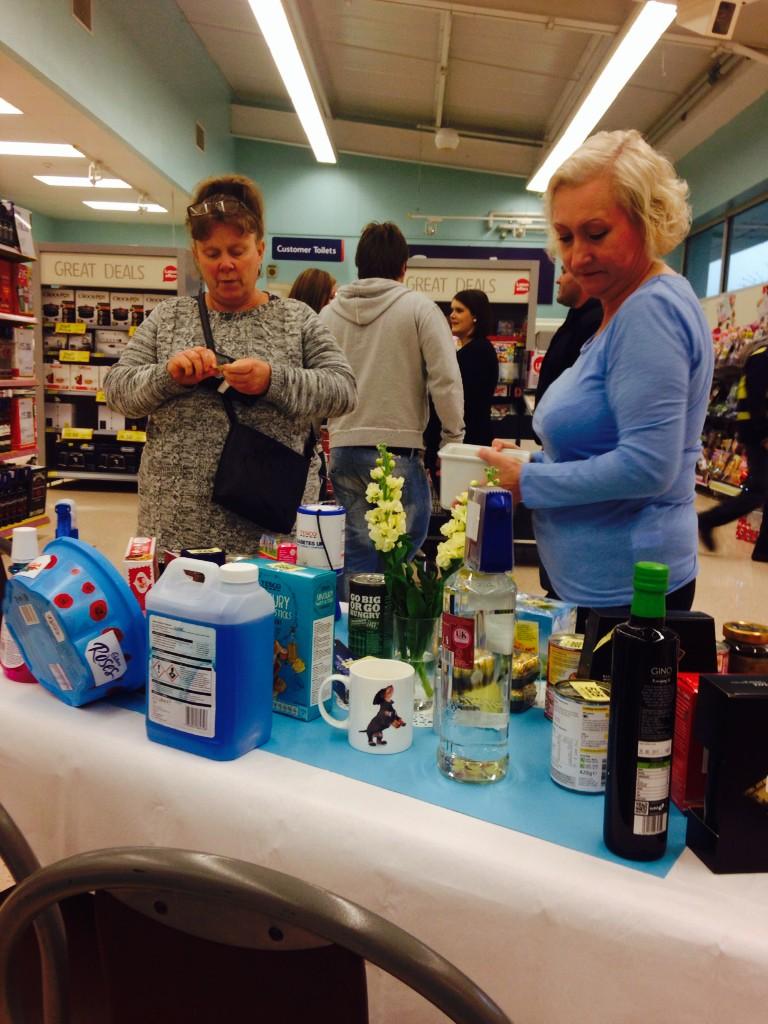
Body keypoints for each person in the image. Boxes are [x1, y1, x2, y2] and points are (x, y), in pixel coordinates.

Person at [479, 129, 714, 615]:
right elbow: (603, 444)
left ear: (647, 219)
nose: (577, 256)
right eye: (566, 237)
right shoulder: (620, 308)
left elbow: (647, 466)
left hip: (626, 594)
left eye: (597, 233)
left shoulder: (649, 312)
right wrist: (531, 461)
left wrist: (530, 482)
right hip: (599, 586)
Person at [104, 174, 357, 556]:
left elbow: (343, 390)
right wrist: (168, 376)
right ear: (196, 255)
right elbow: (117, 391)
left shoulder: (297, 319)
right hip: (173, 536)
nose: (225, 265)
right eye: (212, 253)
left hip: (272, 541)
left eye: (237, 251)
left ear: (260, 250)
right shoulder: (168, 317)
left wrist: (272, 380)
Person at [320, 221, 464, 588]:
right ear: (403, 267)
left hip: (343, 448)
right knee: (398, 555)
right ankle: (385, 623)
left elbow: (316, 382)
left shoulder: (328, 315)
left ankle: (353, 620)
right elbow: (446, 379)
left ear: (358, 265)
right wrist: (453, 439)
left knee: (355, 552)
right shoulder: (420, 309)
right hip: (398, 451)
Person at [698, 339, 768, 561]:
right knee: (757, 491)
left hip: (758, 432)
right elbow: (755, 400)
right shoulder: (761, 357)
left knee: (761, 490)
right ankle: (708, 520)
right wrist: (764, 434)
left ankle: (764, 550)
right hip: (759, 435)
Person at [288, 268, 338, 499]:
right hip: (302, 446)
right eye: (331, 297)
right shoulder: (311, 336)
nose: (335, 303)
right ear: (319, 297)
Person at [534, 270, 602, 410]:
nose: (558, 280)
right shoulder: (576, 318)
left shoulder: (595, 323)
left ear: (582, 278)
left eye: (564, 272)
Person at [450, 289, 499, 446]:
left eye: (459, 310)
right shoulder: (471, 349)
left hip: (469, 439)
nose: (452, 315)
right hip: (467, 436)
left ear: (475, 316)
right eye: (452, 310)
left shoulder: (478, 351)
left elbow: (465, 401)